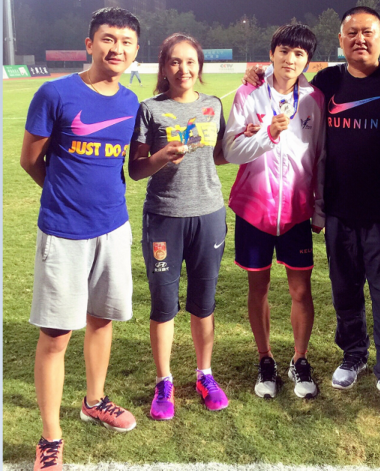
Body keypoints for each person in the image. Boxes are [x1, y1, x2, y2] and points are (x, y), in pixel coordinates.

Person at [242, 7, 380, 415]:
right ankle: (353, 354)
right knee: (345, 291)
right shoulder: (326, 82)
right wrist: (255, 76)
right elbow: (283, 86)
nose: (360, 39)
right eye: (351, 33)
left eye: (368, 32)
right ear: (340, 40)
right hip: (337, 209)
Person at [20, 7, 140, 471]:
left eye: (126, 42)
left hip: (114, 228)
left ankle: (94, 401)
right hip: (64, 232)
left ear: (135, 50)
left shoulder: (130, 101)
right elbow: (31, 160)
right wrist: (63, 198)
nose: (117, 49)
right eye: (108, 39)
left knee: (102, 320)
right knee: (56, 335)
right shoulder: (55, 93)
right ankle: (51, 437)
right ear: (90, 44)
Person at [223, 24, 325, 399]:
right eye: (283, 51)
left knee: (301, 289)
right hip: (254, 208)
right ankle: (265, 359)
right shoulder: (248, 94)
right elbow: (230, 151)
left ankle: (300, 360)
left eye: (299, 54)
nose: (290, 59)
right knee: (258, 287)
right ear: (271, 54)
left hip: (297, 211)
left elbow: (321, 157)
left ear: (307, 60)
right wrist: (268, 136)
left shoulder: (314, 99)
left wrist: (319, 209)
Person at [129, 33, 229, 417]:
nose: (183, 69)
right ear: (164, 67)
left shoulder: (213, 105)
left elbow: (219, 156)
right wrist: (162, 157)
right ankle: (164, 382)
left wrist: (251, 138)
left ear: (199, 66)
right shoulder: (150, 109)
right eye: (175, 61)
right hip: (164, 217)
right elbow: (136, 169)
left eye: (190, 61)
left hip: (208, 214)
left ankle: (205, 375)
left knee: (203, 302)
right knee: (164, 305)